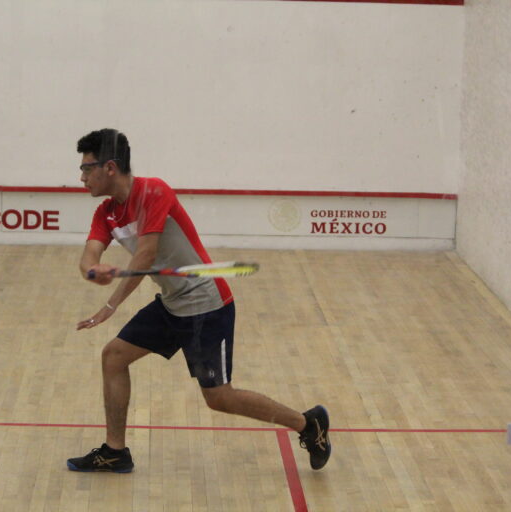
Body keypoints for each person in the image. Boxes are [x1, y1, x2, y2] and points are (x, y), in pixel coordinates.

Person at [66, 128, 331, 473]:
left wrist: (110, 305)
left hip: (207, 306)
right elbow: (89, 254)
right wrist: (92, 271)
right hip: (172, 302)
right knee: (114, 357)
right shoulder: (106, 213)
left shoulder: (153, 192)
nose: (82, 177)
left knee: (219, 397)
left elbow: (145, 256)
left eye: (87, 168)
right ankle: (115, 451)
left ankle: (307, 424)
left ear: (110, 167)